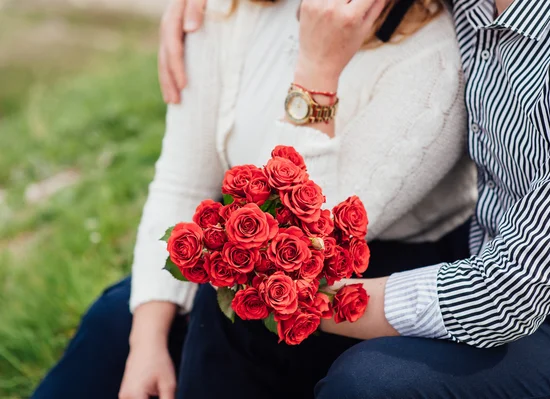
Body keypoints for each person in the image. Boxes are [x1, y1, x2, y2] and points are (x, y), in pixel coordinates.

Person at [32, 0, 477, 398]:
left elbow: (306, 248)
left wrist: (317, 72)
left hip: (365, 288)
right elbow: (182, 184)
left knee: (227, 310)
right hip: (253, 249)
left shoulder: (432, 56)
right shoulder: (230, 9)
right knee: (118, 322)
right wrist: (145, 344)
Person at [159, 0, 550, 398]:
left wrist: (299, 300)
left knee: (370, 384)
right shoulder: (477, 6)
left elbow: (511, 293)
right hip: (480, 252)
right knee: (229, 297)